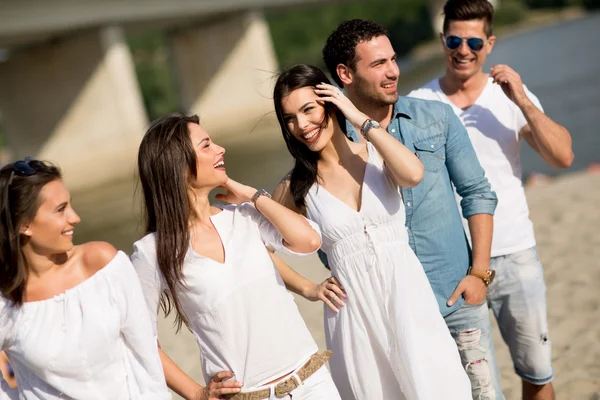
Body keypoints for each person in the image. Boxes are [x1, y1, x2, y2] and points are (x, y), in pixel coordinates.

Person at [322, 19, 504, 399]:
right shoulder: (330, 144)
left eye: (392, 60)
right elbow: (321, 233)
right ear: (345, 74)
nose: (393, 71)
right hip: (393, 316)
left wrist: (479, 275)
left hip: (455, 299)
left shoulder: (436, 118)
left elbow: (477, 193)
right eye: (378, 64)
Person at [272, 63, 472, 400]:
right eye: (289, 118)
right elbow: (254, 247)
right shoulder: (295, 186)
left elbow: (413, 174)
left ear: (330, 101)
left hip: (409, 301)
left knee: (441, 387)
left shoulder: (377, 152)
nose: (301, 125)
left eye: (308, 110)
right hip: (353, 316)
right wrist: (307, 287)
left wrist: (356, 116)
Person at [408, 1, 574, 399]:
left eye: (473, 41)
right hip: (449, 265)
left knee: (536, 374)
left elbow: (563, 156)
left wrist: (521, 98)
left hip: (515, 253)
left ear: (490, 43)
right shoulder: (418, 103)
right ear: (442, 39)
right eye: (454, 39)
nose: (463, 49)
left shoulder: (509, 99)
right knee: (473, 386)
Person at [131, 114, 341, 400]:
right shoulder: (151, 251)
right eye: (206, 145)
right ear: (177, 165)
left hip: (312, 384)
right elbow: (137, 337)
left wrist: (251, 194)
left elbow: (309, 241)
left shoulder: (243, 216)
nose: (221, 149)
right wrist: (195, 393)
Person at [0, 158, 169, 399]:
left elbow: (146, 355)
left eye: (70, 205)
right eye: (61, 209)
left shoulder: (103, 263)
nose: (75, 217)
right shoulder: (5, 302)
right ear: (25, 225)